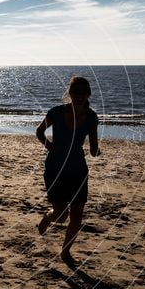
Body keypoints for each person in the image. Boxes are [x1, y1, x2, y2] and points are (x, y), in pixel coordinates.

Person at [35, 76, 100, 265]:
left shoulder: (91, 117)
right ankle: (48, 218)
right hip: (55, 169)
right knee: (61, 215)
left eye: (83, 92)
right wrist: (49, 146)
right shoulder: (56, 112)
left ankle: (65, 252)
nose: (79, 96)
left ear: (88, 94)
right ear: (69, 93)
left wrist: (96, 151)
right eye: (76, 92)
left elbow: (94, 149)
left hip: (78, 171)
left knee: (77, 216)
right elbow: (39, 131)